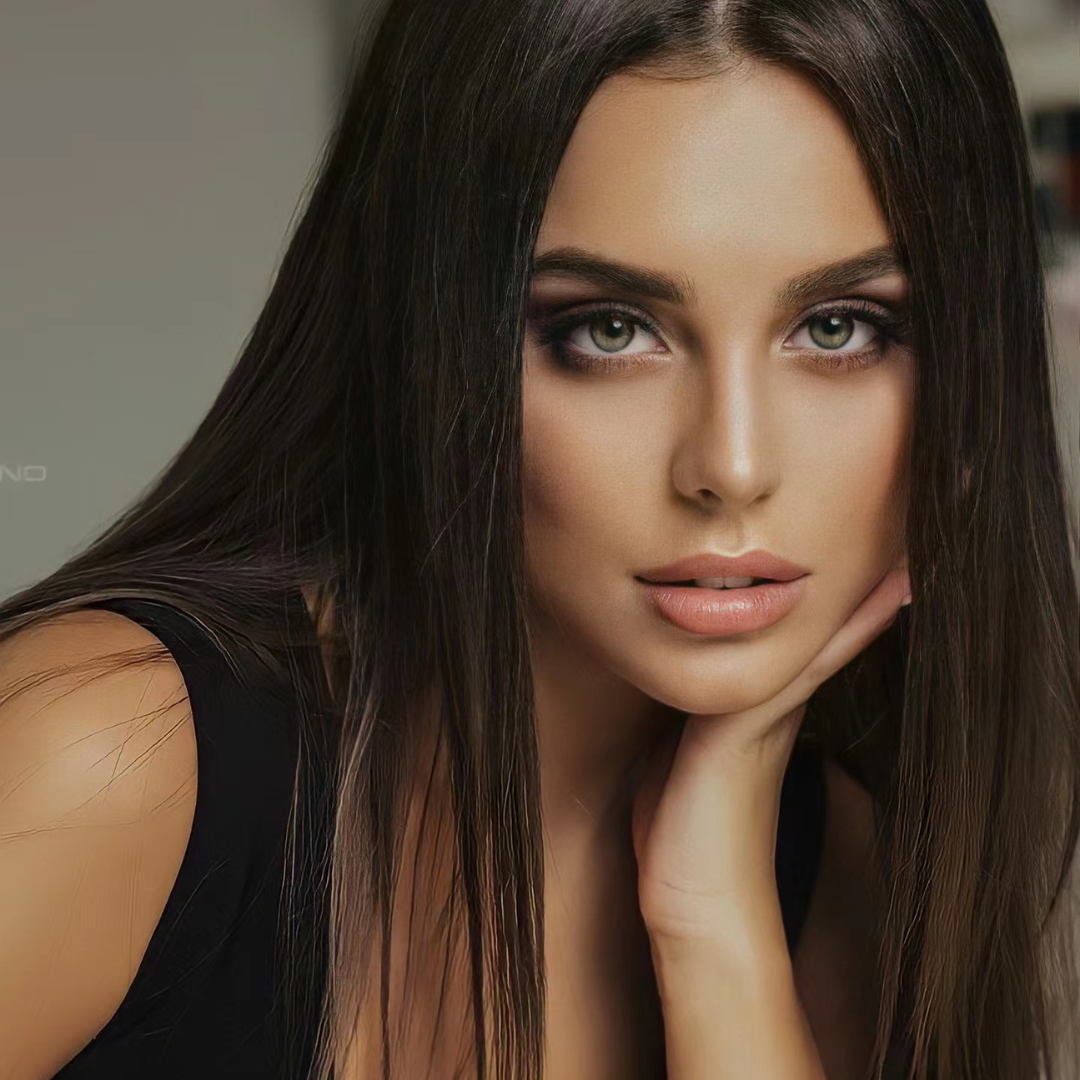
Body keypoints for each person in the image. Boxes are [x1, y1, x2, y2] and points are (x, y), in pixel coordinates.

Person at [1, 0, 1077, 1077]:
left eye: (841, 327)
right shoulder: (103, 761)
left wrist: (713, 923)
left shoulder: (840, 869)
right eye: (610, 330)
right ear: (434, 334)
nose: (734, 465)